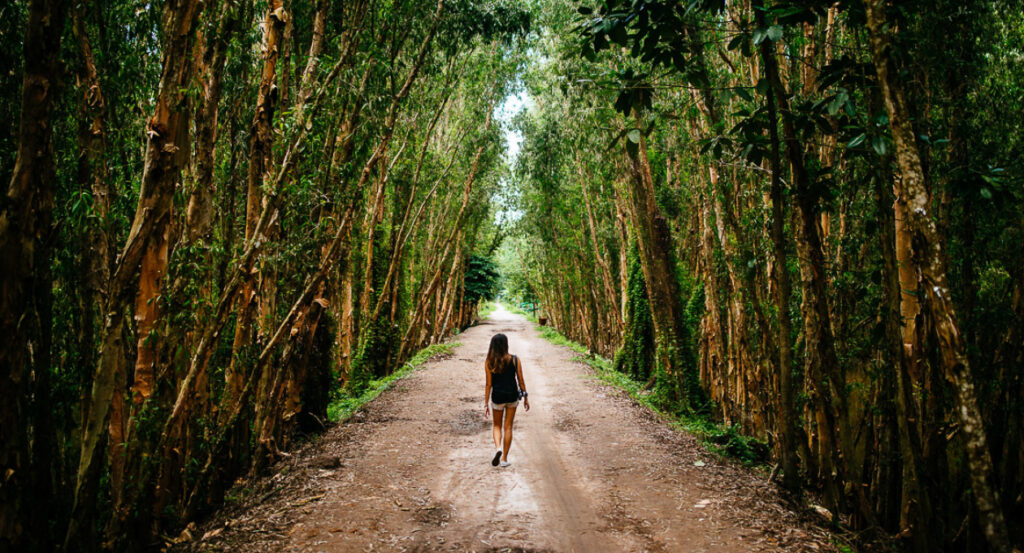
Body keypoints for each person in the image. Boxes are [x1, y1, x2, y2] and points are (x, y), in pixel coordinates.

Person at [483, 333, 530, 467]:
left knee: (497, 426)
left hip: (497, 397)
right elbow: (521, 380)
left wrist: (486, 404)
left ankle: (498, 448)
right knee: (508, 426)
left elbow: (488, 384)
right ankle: (504, 459)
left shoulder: (489, 362)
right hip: (512, 396)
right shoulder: (515, 359)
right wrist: (525, 397)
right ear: (506, 345)